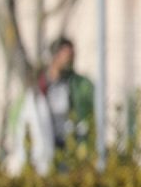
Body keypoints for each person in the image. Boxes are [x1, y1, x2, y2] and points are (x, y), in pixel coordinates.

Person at [5, 36, 96, 173]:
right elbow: (18, 117)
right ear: (56, 56)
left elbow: (87, 116)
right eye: (67, 55)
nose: (71, 60)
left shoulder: (79, 85)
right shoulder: (38, 86)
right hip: (43, 148)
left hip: (69, 149)